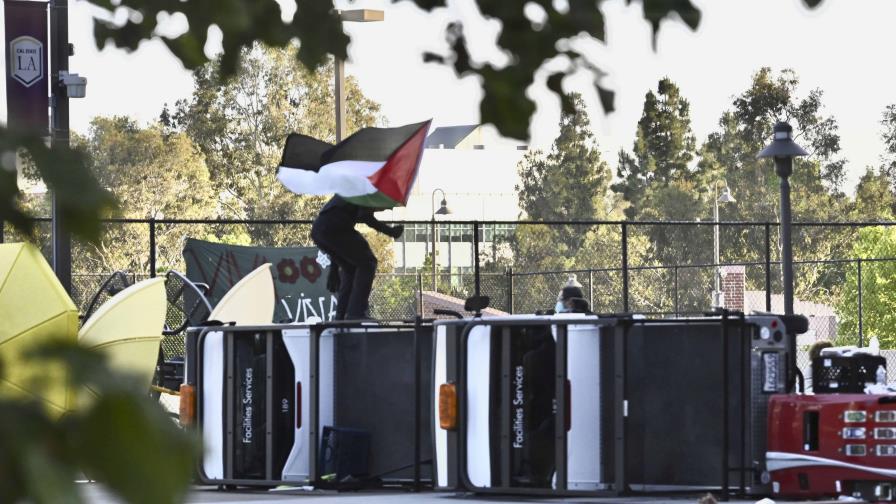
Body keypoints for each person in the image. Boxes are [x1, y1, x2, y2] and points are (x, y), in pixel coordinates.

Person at [311, 195, 403, 320]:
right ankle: (356, 313)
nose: (386, 210)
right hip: (335, 226)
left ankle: (341, 315)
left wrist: (333, 270)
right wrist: (389, 231)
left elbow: (339, 246)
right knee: (368, 263)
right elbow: (364, 216)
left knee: (350, 268)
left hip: (319, 230)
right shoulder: (366, 189)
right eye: (387, 207)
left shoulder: (355, 188)